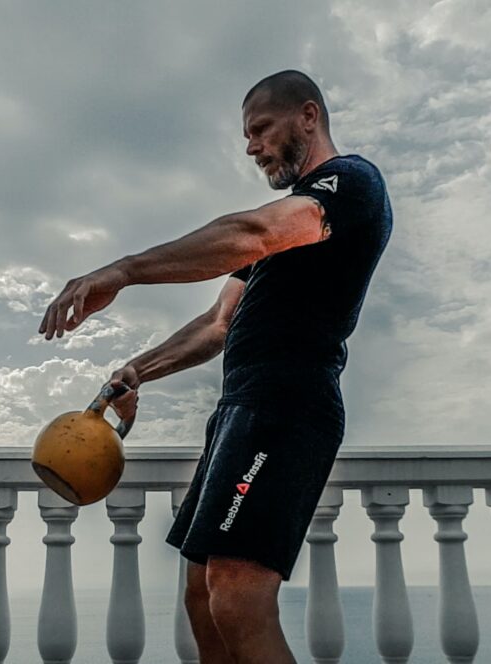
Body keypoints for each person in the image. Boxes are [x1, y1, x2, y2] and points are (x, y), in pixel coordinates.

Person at [38, 69, 392, 664]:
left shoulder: (349, 183)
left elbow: (252, 231)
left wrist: (124, 270)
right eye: (246, 135)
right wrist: (136, 372)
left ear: (308, 116)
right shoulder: (283, 242)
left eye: (260, 129)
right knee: (203, 595)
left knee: (237, 597)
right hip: (241, 412)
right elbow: (216, 326)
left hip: (289, 407)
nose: (251, 146)